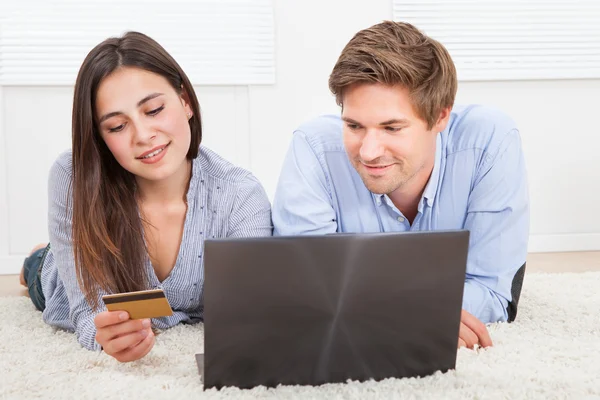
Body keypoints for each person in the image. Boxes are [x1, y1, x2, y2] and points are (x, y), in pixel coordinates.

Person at [272, 21, 529, 349]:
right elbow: (306, 291)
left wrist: (367, 307)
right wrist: (416, 313)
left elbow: (495, 294)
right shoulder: (313, 147)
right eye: (354, 125)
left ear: (439, 117)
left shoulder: (491, 142)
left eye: (391, 128)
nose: (369, 151)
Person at [19, 31, 272, 361]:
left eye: (153, 110)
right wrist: (103, 334)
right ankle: (38, 258)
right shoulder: (73, 177)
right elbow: (85, 310)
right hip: (57, 280)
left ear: (186, 102)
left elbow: (252, 309)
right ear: (100, 137)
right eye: (116, 126)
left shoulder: (242, 196)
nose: (143, 136)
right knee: (40, 273)